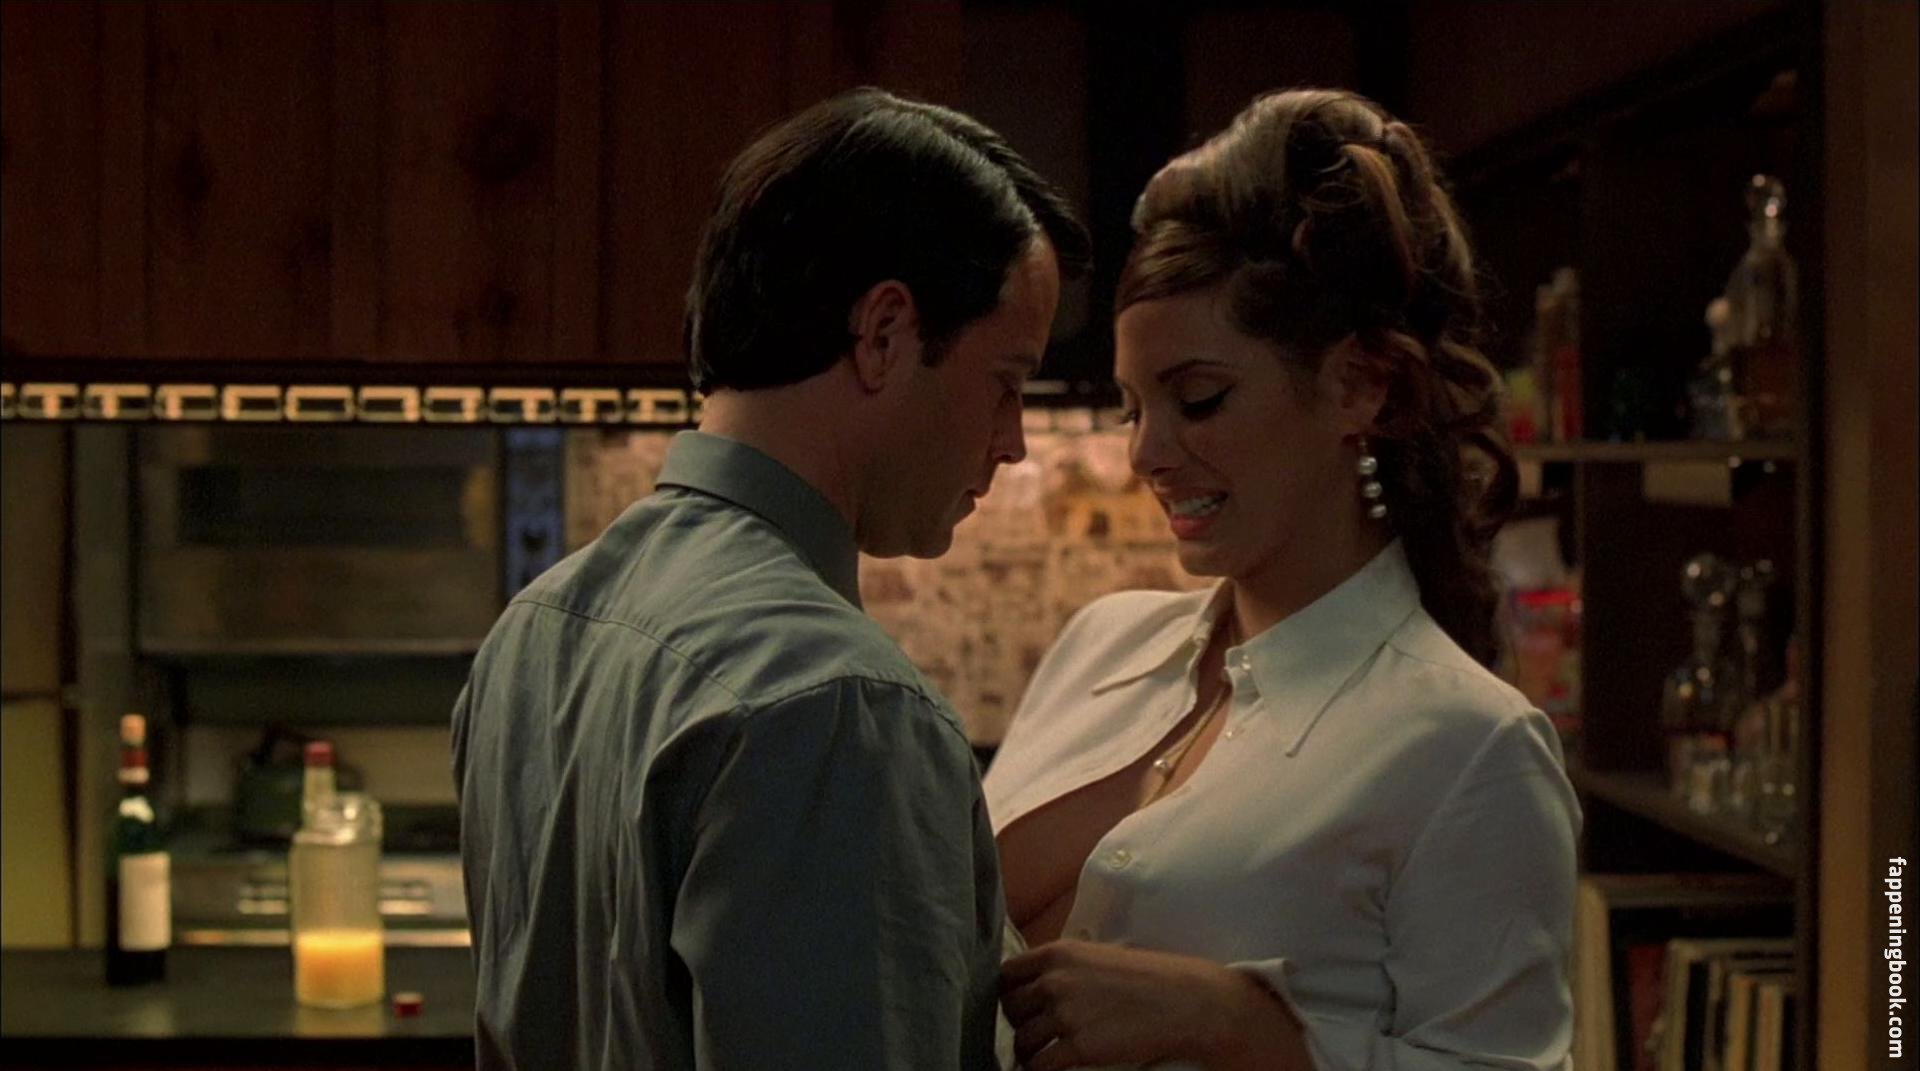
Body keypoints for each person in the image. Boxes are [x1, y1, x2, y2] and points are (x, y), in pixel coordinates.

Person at [453, 87, 1089, 1070]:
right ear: (884, 334)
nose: (1012, 441)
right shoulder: (837, 708)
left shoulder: (535, 628)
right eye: (1005, 381)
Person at [984, 89, 1581, 1071]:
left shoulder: (1472, 749)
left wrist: (1239, 1024)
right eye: (1133, 406)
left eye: (1199, 399)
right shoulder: (1101, 641)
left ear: (1360, 386)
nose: (1145, 453)